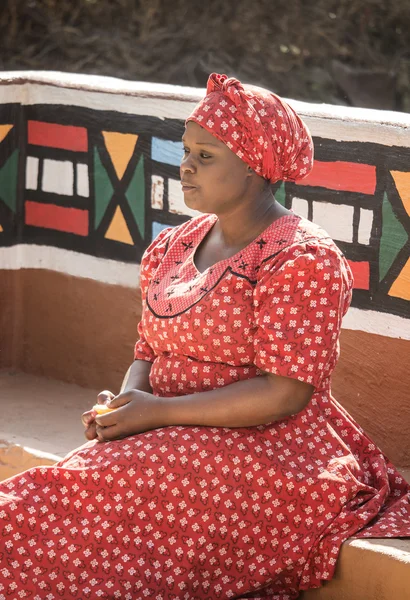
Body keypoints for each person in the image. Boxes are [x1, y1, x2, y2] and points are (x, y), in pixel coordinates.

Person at [0, 73, 409, 600]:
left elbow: (285, 393)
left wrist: (157, 413)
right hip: (168, 436)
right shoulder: (174, 244)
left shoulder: (299, 257)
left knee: (74, 504)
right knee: (52, 500)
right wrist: (126, 403)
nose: (185, 165)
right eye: (186, 149)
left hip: (270, 453)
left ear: (257, 165)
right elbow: (148, 352)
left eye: (206, 155)